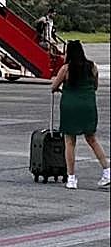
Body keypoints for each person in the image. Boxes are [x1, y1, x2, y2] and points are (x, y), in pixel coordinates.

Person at [50, 40, 110, 189]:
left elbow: (54, 86)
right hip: (88, 106)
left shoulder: (66, 69)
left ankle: (71, 178)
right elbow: (95, 86)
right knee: (92, 139)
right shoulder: (92, 66)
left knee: (70, 142)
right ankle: (107, 170)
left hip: (70, 107)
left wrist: (61, 89)